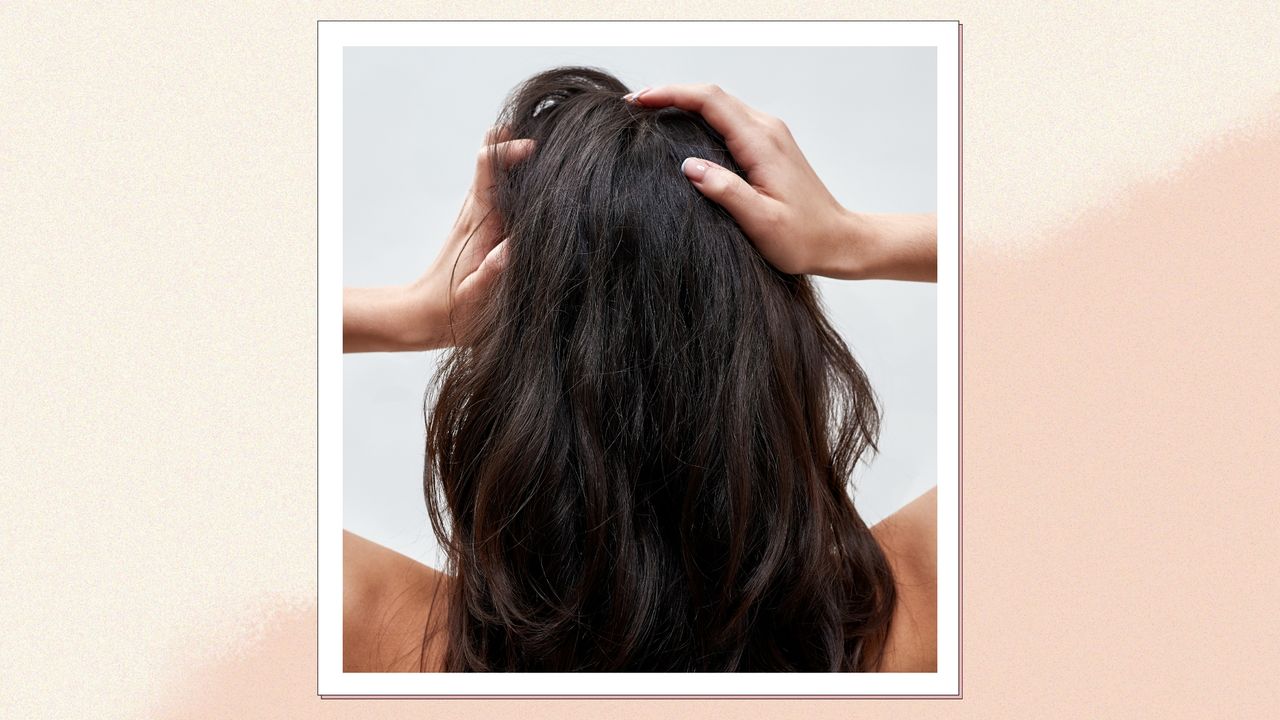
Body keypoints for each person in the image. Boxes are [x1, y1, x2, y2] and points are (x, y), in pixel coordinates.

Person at [343, 69, 939, 673]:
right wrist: (850, 238)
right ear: (775, 350)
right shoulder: (920, 605)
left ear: (517, 378)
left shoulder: (375, 630)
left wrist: (411, 313)